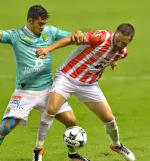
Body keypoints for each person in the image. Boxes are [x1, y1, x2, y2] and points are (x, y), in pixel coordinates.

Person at [0, 0, 90, 161]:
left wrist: (77, 34)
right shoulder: (16, 35)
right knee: (5, 127)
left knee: (72, 121)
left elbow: (71, 38)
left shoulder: (50, 32)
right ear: (30, 21)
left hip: (48, 90)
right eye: (40, 24)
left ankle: (72, 154)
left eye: (45, 24)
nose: (43, 27)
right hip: (25, 92)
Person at [36, 23, 136, 161]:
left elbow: (115, 56)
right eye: (117, 40)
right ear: (115, 33)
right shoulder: (100, 37)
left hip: (89, 85)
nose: (119, 44)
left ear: (129, 42)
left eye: (123, 43)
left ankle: (116, 145)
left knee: (109, 118)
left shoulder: (122, 52)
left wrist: (113, 62)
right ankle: (38, 149)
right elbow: (72, 39)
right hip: (67, 77)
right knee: (51, 108)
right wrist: (48, 49)